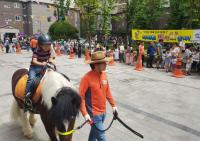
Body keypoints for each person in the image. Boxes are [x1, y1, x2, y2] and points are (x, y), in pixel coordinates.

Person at [79, 49, 118, 141]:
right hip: (94, 115)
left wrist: (114, 106)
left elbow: (107, 91)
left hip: (103, 113)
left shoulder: (104, 75)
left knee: (93, 134)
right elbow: (81, 97)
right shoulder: (86, 78)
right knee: (102, 138)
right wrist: (85, 114)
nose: (106, 64)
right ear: (96, 65)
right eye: (103, 63)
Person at [24, 34, 54, 112]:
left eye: (49, 45)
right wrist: (42, 63)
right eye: (45, 45)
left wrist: (50, 61)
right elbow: (34, 61)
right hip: (35, 67)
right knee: (31, 80)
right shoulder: (37, 49)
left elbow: (50, 57)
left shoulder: (49, 49)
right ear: (40, 45)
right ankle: (27, 97)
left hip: (44, 67)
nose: (47, 47)